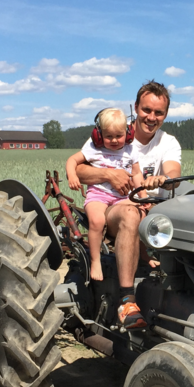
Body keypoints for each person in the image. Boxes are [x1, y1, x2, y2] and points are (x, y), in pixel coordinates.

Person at [75, 81, 181, 329]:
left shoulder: (168, 143)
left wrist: (164, 180)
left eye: (159, 113)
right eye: (146, 110)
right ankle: (127, 301)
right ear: (135, 107)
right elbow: (79, 169)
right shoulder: (114, 134)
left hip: (152, 211)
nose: (151, 117)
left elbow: (172, 170)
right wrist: (109, 175)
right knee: (132, 214)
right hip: (115, 206)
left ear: (165, 115)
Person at [65, 108, 144, 283]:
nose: (114, 140)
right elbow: (72, 160)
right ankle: (95, 261)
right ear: (99, 135)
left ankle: (147, 258)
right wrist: (72, 175)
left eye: (119, 136)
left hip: (123, 197)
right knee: (97, 221)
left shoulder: (131, 150)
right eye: (109, 137)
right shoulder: (93, 147)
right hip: (98, 195)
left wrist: (143, 196)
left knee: (142, 216)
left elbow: (137, 174)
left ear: (128, 133)